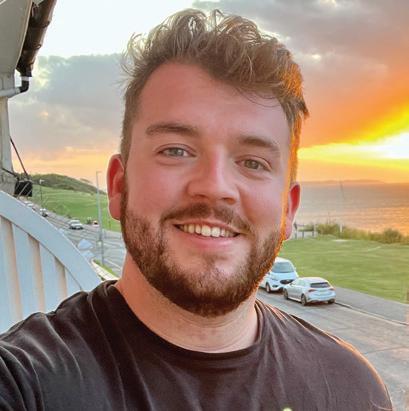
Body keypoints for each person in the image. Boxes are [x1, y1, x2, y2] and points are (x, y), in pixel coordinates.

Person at [0, 9, 392, 411]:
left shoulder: (353, 390)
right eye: (176, 150)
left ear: (288, 210)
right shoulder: (24, 383)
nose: (215, 186)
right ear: (118, 185)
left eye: (253, 162)